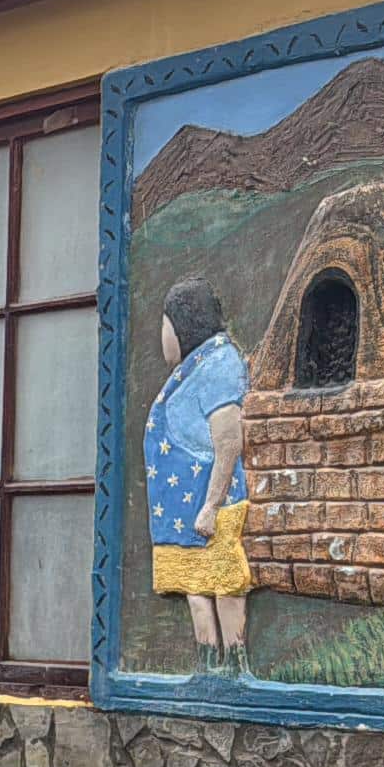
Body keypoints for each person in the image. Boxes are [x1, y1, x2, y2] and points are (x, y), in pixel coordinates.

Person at [145, 280, 254, 678]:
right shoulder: (192, 368)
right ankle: (209, 668)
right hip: (178, 511)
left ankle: (236, 666)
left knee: (224, 586)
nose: (163, 335)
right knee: (195, 588)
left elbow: (228, 441)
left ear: (183, 324)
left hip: (209, 506)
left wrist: (211, 505)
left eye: (166, 323)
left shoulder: (219, 365)